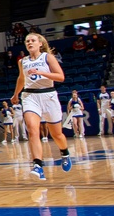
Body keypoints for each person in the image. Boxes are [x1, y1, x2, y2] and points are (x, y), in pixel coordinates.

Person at [11, 33, 72, 181]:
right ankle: (38, 165)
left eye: (32, 40)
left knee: (57, 135)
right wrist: (15, 94)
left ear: (40, 43)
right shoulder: (22, 61)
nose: (29, 43)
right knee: (32, 130)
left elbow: (60, 77)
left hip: (48, 95)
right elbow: (21, 78)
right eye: (27, 41)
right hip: (30, 96)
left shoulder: (47, 57)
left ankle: (64, 153)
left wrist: (41, 72)